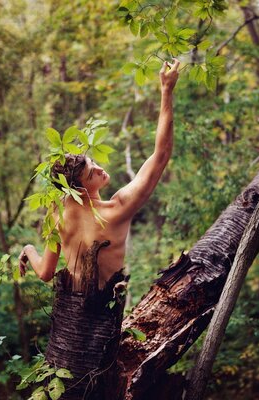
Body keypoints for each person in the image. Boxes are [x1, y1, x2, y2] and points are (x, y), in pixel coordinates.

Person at [19, 58, 180, 290]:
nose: (99, 168)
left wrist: (28, 249)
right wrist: (166, 90)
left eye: (92, 162)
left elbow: (45, 272)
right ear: (79, 189)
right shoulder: (116, 210)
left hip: (68, 315)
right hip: (102, 316)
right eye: (91, 173)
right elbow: (161, 155)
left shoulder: (57, 211)